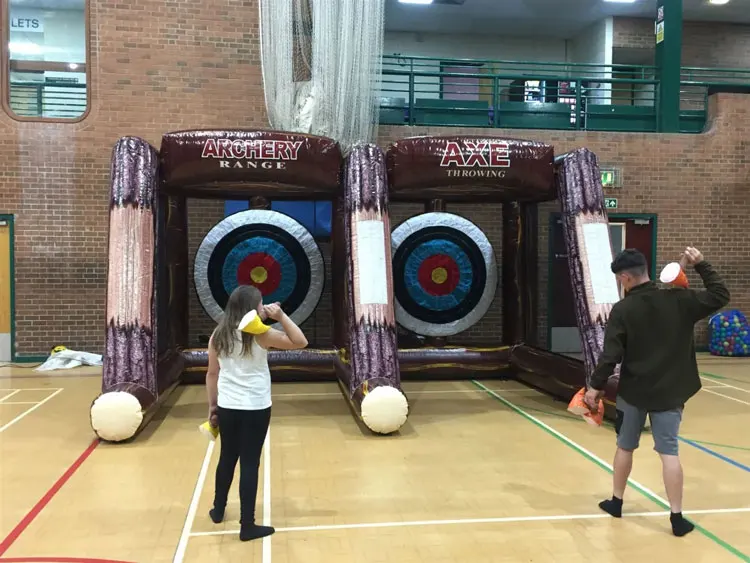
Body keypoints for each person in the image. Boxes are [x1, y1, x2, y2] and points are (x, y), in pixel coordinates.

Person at [584, 247, 729, 537]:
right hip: (670, 392)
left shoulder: (623, 310)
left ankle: (616, 501)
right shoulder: (679, 300)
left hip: (634, 392)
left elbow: (610, 355)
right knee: (669, 453)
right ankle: (676, 517)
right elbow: (719, 294)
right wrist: (701, 264)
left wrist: (595, 387)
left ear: (625, 278)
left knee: (625, 447)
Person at [205, 285, 308, 541]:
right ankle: (247, 525)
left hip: (228, 406)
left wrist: (212, 406)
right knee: (250, 462)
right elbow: (300, 342)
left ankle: (218, 510)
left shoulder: (219, 334)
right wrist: (281, 316)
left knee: (227, 457)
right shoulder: (263, 335)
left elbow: (212, 373)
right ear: (253, 308)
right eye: (261, 304)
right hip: (255, 407)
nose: (264, 308)